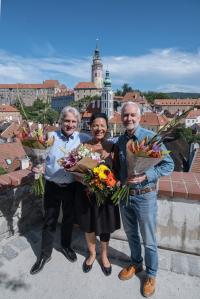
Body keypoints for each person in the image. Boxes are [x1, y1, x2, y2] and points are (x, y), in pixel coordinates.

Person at [116, 102, 174, 297]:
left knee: (149, 240)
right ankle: (135, 263)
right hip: (125, 196)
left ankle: (151, 274)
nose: (129, 119)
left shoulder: (150, 138)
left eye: (132, 115)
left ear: (139, 117)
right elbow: (119, 168)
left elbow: (169, 165)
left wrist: (146, 175)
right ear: (121, 118)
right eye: (125, 116)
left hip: (145, 196)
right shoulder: (120, 140)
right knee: (131, 234)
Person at [30, 106, 90, 275]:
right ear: (61, 121)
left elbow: (100, 143)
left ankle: (65, 246)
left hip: (72, 187)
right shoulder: (50, 137)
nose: (69, 124)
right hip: (52, 185)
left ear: (77, 123)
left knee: (69, 219)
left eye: (73, 121)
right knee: (49, 220)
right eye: (67, 121)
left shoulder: (83, 138)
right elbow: (38, 157)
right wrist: (37, 166)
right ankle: (44, 254)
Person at [75, 112, 120, 276]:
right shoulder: (83, 147)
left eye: (102, 125)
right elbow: (75, 171)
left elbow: (118, 172)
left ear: (107, 128)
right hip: (86, 195)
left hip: (106, 197)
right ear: (90, 127)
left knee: (105, 228)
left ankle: (104, 255)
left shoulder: (113, 147)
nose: (99, 128)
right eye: (95, 125)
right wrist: (85, 181)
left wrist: (108, 181)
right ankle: (92, 254)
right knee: (89, 227)